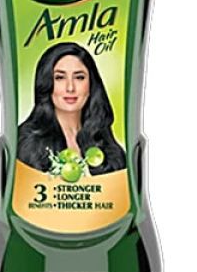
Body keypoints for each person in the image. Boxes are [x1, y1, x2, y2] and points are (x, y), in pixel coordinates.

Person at [17, 42, 126, 175]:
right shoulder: (25, 142)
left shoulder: (107, 145)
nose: (70, 88)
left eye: (79, 77)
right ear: (46, 83)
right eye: (60, 77)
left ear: (91, 84)